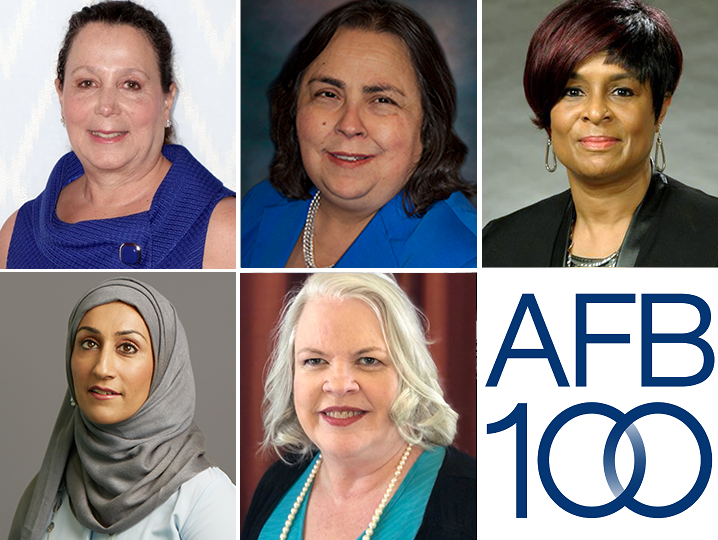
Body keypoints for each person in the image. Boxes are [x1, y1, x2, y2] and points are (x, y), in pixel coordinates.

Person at [241, 0, 477, 269]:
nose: (349, 125)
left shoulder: (463, 256)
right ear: (294, 107)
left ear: (428, 124)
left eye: (382, 100)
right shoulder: (259, 204)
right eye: (328, 94)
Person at [0, 1, 235, 269]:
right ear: (61, 95)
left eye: (130, 85)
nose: (106, 106)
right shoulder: (14, 236)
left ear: (167, 100)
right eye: (87, 83)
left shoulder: (224, 230)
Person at [482, 0, 718, 267]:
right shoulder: (499, 245)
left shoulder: (711, 233)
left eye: (622, 91)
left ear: (660, 109)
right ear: (547, 112)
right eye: (573, 91)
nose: (595, 113)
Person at [241, 273, 476, 539]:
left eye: (367, 360)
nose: (339, 385)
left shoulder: (474, 502)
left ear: (407, 374)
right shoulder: (277, 482)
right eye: (315, 361)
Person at [9, 277, 235, 539]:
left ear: (164, 371)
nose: (102, 368)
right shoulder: (47, 489)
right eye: (89, 343)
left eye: (127, 347)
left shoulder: (206, 501)